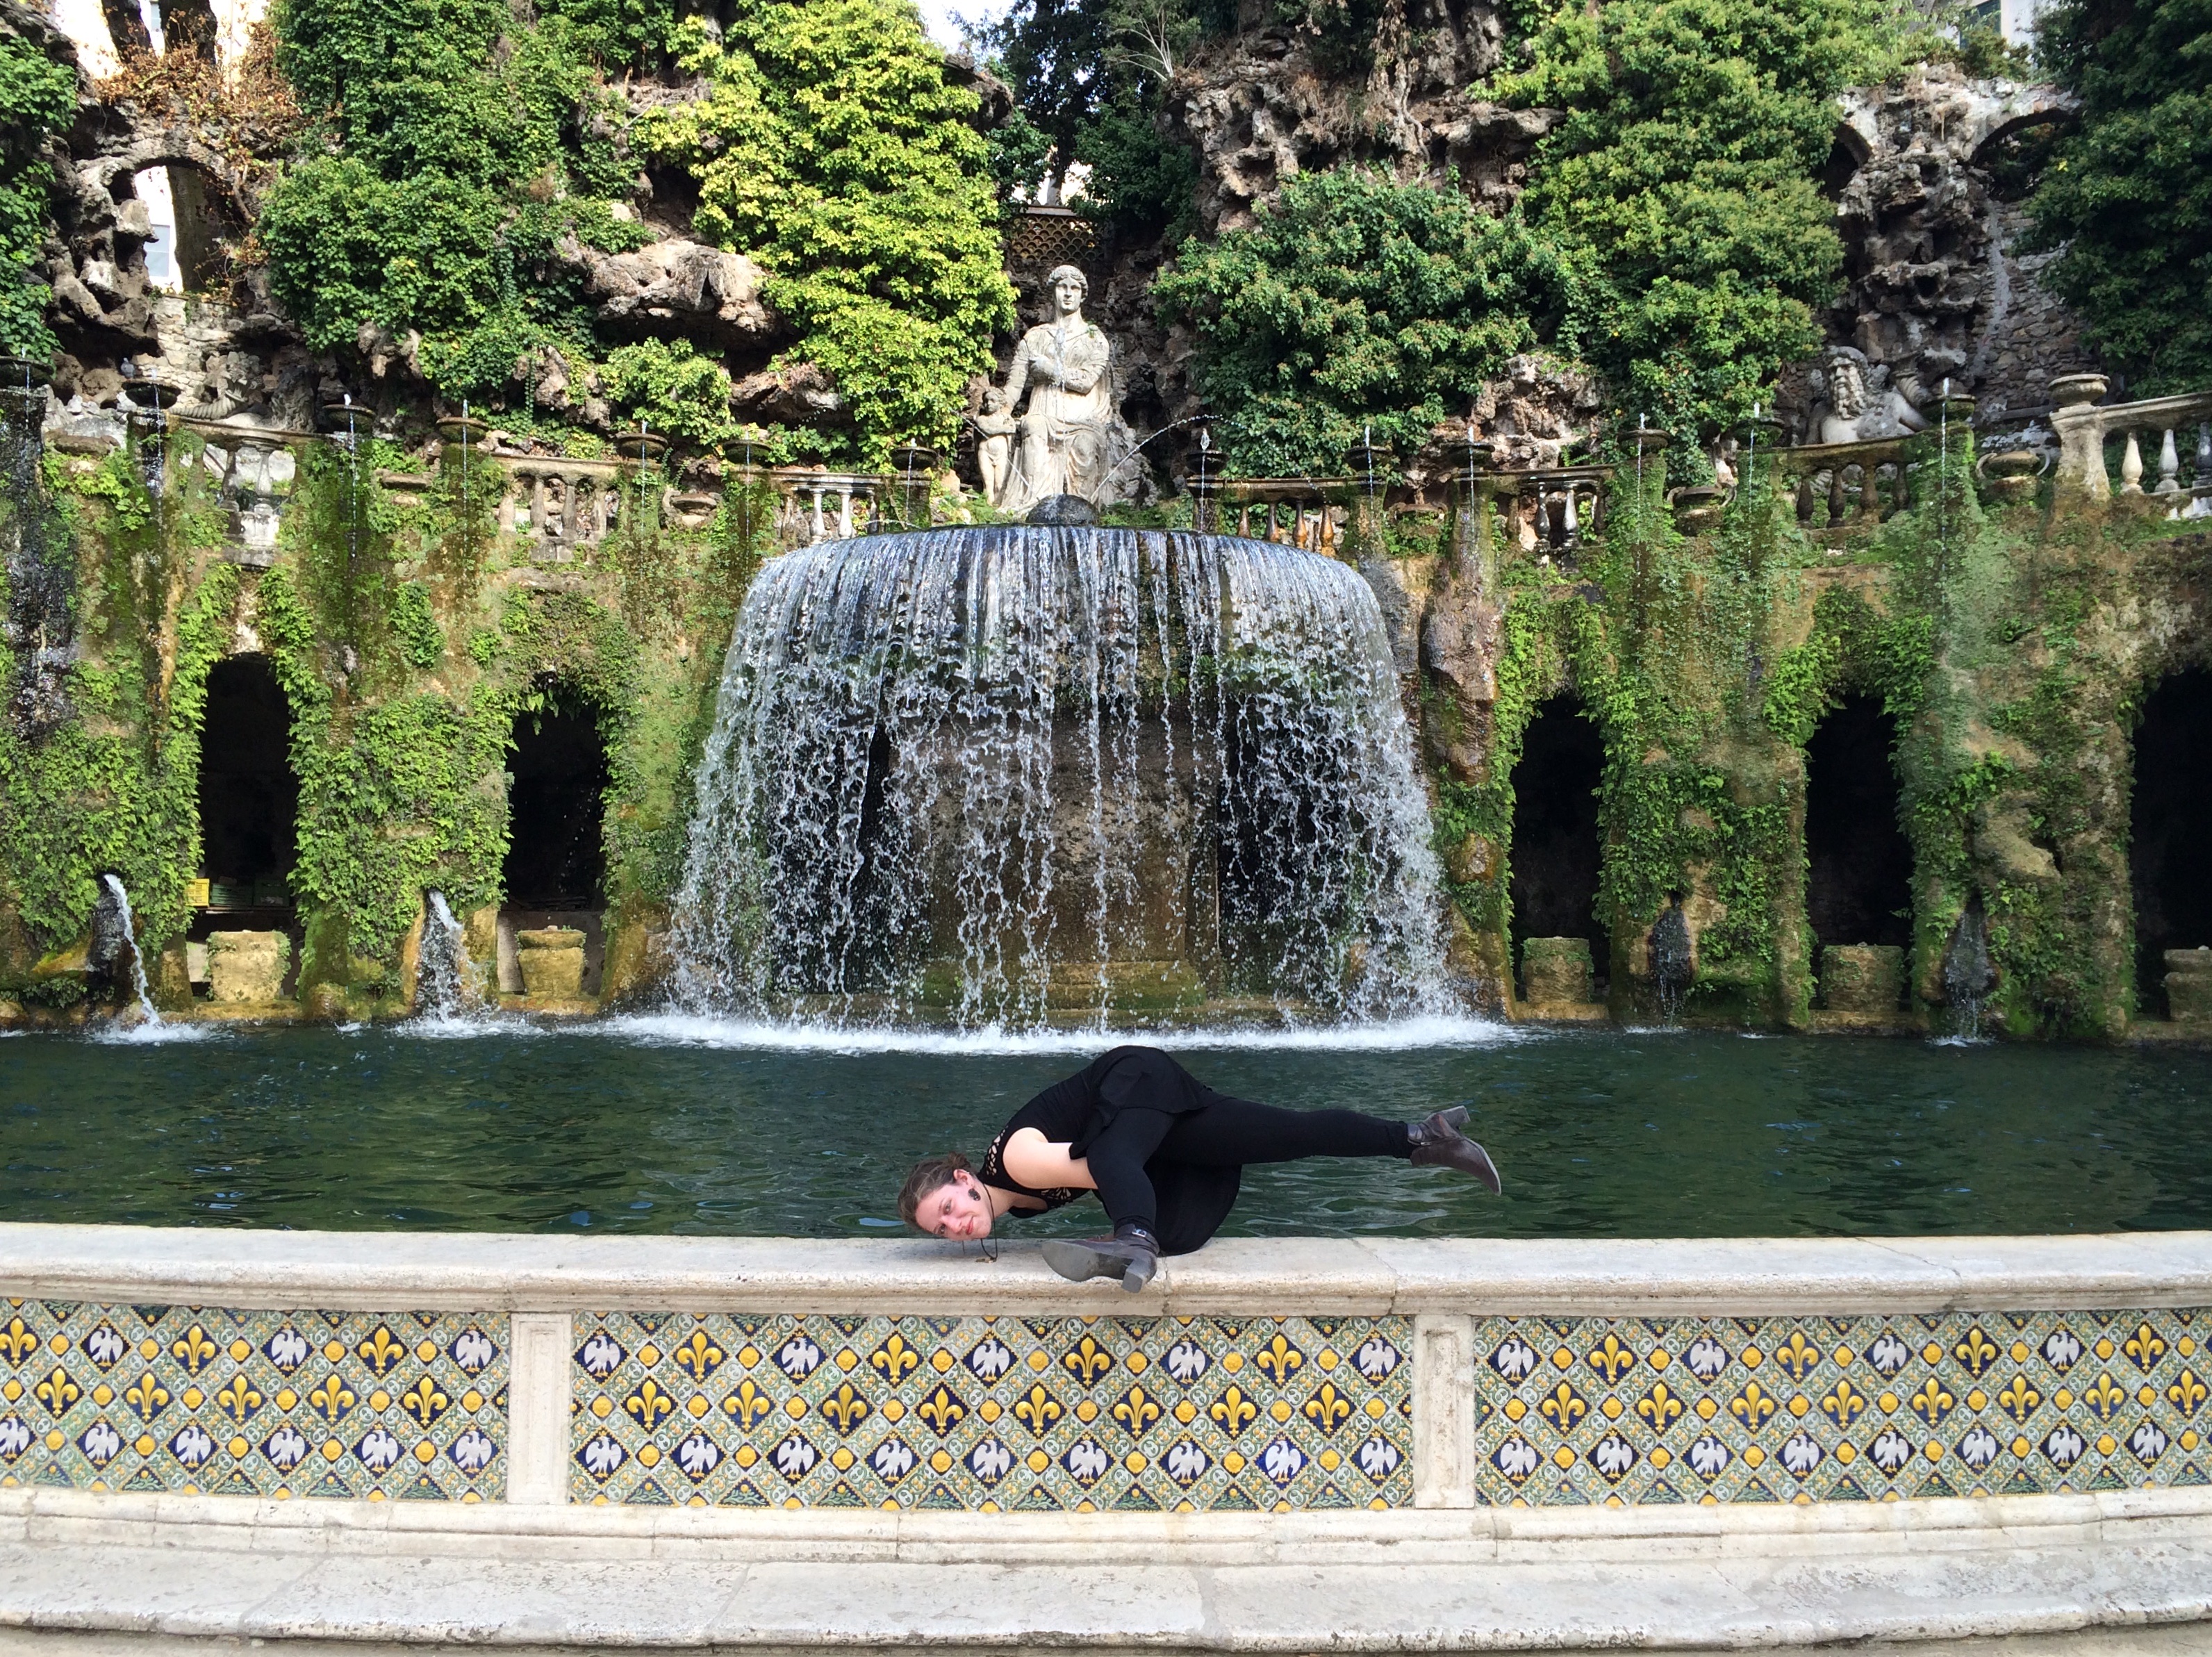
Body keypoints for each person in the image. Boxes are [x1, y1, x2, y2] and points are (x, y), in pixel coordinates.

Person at [897, 1045, 1502, 1292]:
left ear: (964, 1179)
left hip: (1131, 1084)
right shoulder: (1020, 1202)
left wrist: (1127, 1222)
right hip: (1150, 1114)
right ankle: (1424, 1137)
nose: (956, 1226)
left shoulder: (1015, 1161)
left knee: (1116, 1170)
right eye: (941, 1229)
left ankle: (1134, 1238)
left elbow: (1112, 1164)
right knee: (1287, 1134)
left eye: (949, 1208)